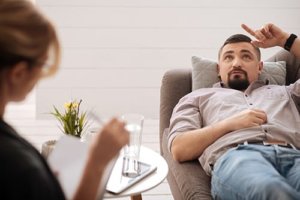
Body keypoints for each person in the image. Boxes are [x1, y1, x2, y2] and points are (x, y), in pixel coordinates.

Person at [0, 0, 129, 200]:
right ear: (18, 73)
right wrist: (96, 163)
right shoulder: (18, 169)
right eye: (42, 65)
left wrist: (46, 183)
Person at [168, 23, 300, 200]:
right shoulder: (197, 98)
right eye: (228, 58)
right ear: (218, 69)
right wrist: (229, 124)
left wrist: (286, 40)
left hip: (295, 156)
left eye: (246, 57)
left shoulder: (287, 92)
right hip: (239, 158)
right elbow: (179, 148)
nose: (236, 63)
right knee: (271, 191)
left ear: (260, 67)